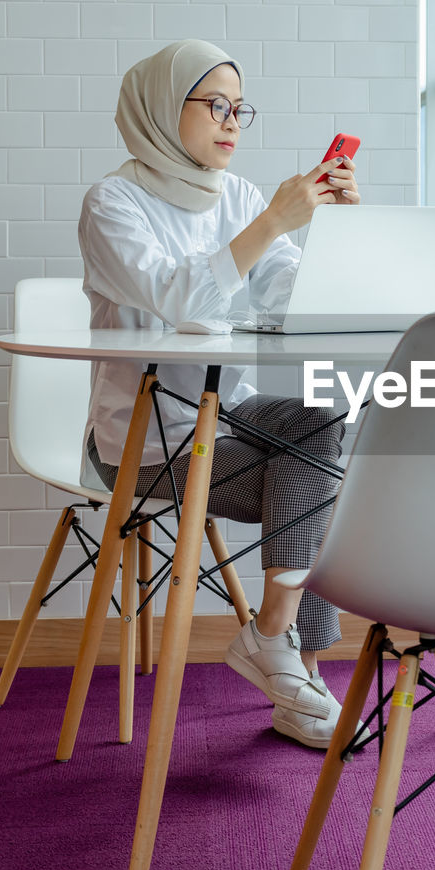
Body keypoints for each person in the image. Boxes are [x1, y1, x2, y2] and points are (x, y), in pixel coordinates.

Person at [78, 38, 361, 749]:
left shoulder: (234, 195)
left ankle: (274, 638)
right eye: (215, 105)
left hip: (223, 416)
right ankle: (292, 666)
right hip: (145, 441)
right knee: (326, 478)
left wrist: (332, 228)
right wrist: (269, 222)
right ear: (157, 109)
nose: (232, 122)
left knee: (323, 416)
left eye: (240, 108)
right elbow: (186, 304)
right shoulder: (113, 202)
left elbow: (291, 302)